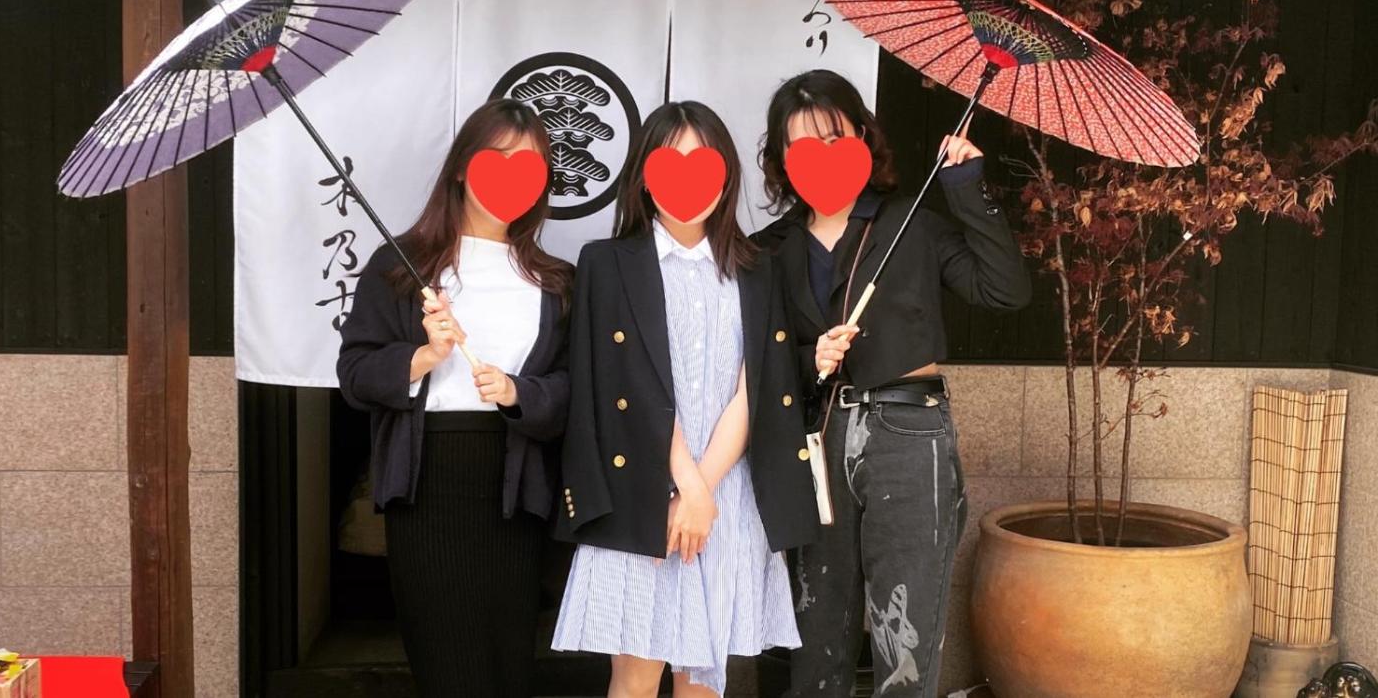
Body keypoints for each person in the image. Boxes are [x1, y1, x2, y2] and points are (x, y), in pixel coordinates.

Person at [753, 69, 1032, 698]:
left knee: (903, 637)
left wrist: (965, 186)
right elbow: (756, 363)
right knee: (815, 635)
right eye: (802, 146)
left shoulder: (911, 223)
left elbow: (1004, 291)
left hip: (909, 434)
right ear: (781, 159)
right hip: (818, 439)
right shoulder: (770, 249)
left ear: (863, 137)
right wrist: (809, 356)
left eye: (835, 138)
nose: (821, 156)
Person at [552, 100, 818, 698]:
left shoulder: (757, 269)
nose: (688, 178)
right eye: (671, 162)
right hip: (638, 489)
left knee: (703, 680)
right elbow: (621, 383)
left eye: (704, 163)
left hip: (727, 493)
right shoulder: (607, 264)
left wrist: (705, 489)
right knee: (634, 677)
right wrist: (686, 487)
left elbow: (756, 388)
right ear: (645, 176)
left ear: (725, 176)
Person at [337, 98, 571, 698]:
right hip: (428, 484)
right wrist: (424, 356)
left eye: (530, 164)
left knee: (509, 664)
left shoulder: (554, 279)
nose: (512, 175)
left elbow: (574, 388)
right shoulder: (402, 268)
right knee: (447, 664)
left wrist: (519, 392)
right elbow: (355, 374)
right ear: (463, 167)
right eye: (497, 158)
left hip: (517, 486)